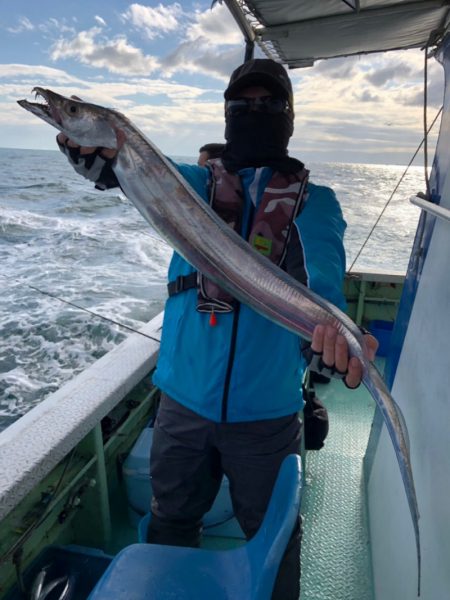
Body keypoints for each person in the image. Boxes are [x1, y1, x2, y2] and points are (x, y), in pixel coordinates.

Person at [56, 58, 378, 600]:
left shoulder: (315, 205)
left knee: (274, 541)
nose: (254, 113)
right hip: (181, 404)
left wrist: (331, 347)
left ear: (289, 116)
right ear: (225, 115)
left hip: (267, 417)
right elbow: (127, 171)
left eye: (268, 104)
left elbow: (324, 285)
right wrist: (100, 161)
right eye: (241, 104)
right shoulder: (193, 184)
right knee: (169, 524)